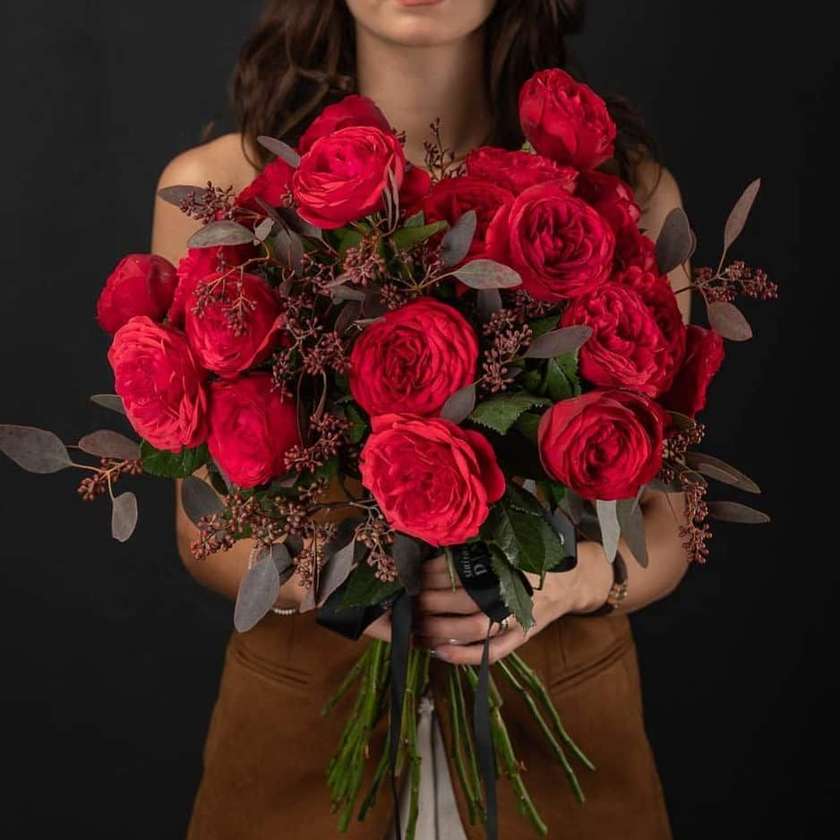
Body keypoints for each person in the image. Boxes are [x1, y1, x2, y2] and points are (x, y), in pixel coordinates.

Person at [152, 2, 692, 837]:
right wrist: (341, 585)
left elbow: (673, 512)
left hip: (563, 745)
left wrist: (559, 585)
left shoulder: (624, 196)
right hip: (299, 745)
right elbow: (202, 523)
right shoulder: (219, 192)